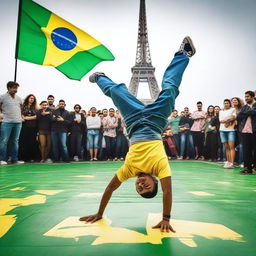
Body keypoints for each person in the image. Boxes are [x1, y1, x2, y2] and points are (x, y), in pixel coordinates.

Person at [79, 36, 196, 232]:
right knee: (170, 89)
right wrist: (166, 217)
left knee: (117, 93)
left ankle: (100, 76)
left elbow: (110, 188)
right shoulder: (160, 167)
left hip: (133, 120)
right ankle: (183, 54)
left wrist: (99, 213)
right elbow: (167, 191)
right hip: (155, 119)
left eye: (139, 188)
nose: (141, 185)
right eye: (147, 187)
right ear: (154, 181)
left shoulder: (129, 170)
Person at [0, 81, 24, 165]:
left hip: (18, 122)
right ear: (9, 88)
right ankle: (2, 159)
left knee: (15, 141)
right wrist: (1, 115)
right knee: (4, 141)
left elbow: (21, 108)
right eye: (14, 88)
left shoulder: (19, 98)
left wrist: (21, 117)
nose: (16, 90)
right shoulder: (2, 97)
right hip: (7, 122)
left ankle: (14, 159)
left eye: (16, 88)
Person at [237, 91, 256, 174]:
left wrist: (248, 113)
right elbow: (239, 115)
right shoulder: (244, 106)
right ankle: (248, 169)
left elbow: (253, 112)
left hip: (254, 130)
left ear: (252, 97)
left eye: (248, 96)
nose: (246, 98)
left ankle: (254, 167)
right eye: (245, 97)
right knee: (246, 151)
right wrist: (250, 112)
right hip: (245, 131)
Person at [19, 94, 39, 162]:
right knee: (23, 142)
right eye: (30, 98)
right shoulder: (23, 106)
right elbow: (20, 115)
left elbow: (37, 117)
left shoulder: (36, 108)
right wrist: (23, 117)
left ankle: (31, 158)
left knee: (32, 142)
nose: (31, 99)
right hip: (24, 126)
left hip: (33, 127)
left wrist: (27, 118)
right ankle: (23, 158)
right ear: (27, 98)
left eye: (33, 98)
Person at [219, 99, 236, 169]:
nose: (226, 104)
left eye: (227, 103)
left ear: (230, 104)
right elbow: (221, 120)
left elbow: (234, 117)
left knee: (231, 147)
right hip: (222, 130)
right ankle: (228, 162)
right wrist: (229, 120)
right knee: (227, 147)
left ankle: (232, 163)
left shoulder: (233, 109)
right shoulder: (220, 111)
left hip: (231, 130)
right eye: (225, 103)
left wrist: (227, 120)